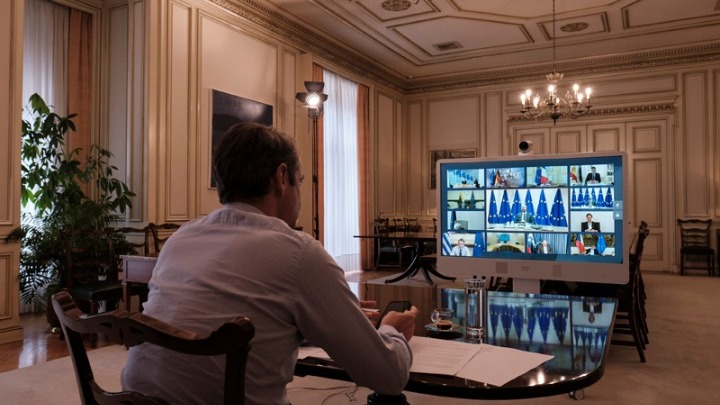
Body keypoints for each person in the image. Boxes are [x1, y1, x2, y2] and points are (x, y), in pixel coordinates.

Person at [122, 122, 418, 405]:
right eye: (301, 181)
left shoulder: (180, 239)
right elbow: (388, 376)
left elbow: (231, 319)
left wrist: (329, 319)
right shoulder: (299, 253)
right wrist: (390, 329)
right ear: (282, 177)